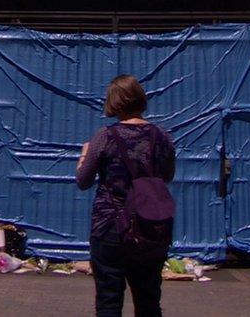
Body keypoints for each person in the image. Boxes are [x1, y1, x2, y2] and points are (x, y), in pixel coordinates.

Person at [76, 74, 176, 317]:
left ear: (114, 102)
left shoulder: (104, 137)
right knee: (149, 300)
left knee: (109, 300)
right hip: (151, 227)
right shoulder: (162, 137)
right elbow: (168, 176)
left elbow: (83, 181)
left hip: (110, 227)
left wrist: (83, 155)